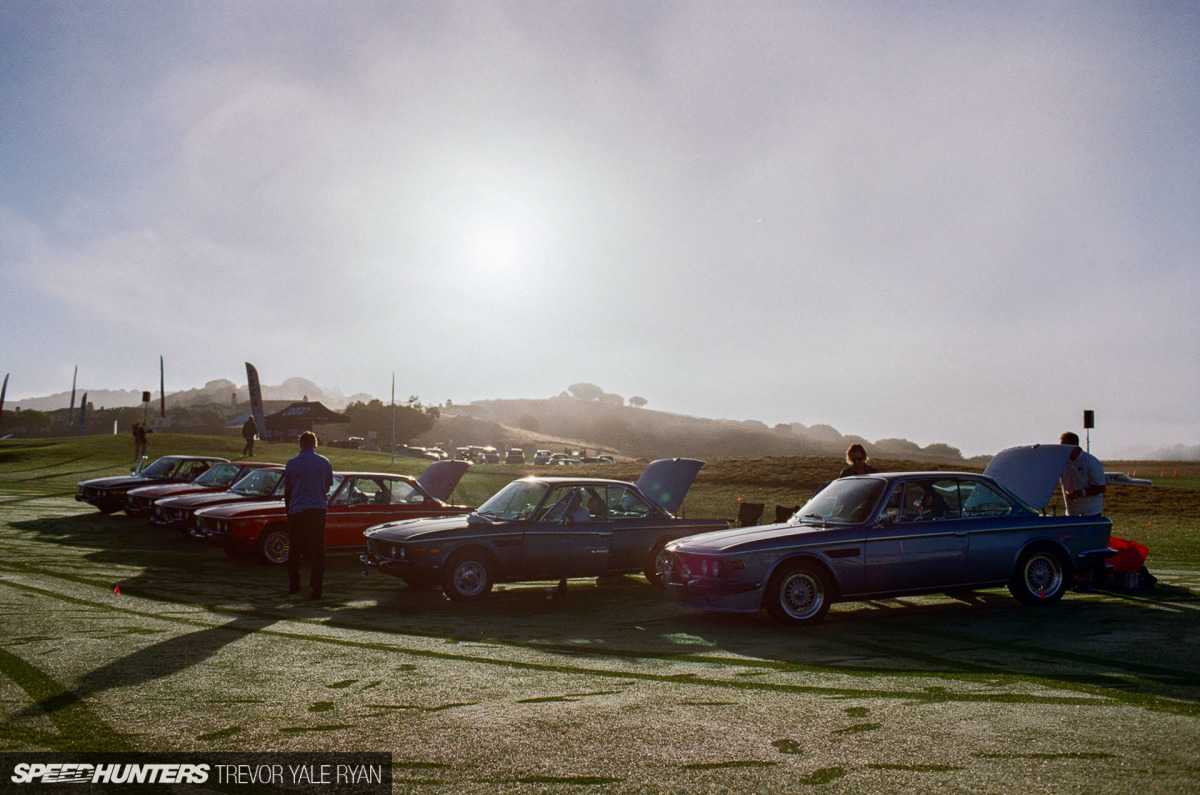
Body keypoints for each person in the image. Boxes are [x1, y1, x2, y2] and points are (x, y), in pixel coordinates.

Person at [283, 431, 334, 599]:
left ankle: (294, 585)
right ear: (315, 444)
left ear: (300, 444)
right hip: (318, 510)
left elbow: (288, 489)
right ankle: (316, 587)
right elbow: (327, 488)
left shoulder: (291, 464)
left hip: (298, 510)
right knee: (318, 549)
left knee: (295, 549)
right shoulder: (324, 462)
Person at [1058, 431, 1105, 516]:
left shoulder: (1091, 462)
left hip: (1091, 513)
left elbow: (1100, 487)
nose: (1061, 449)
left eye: (1064, 446)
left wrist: (1080, 493)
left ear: (1074, 446)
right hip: (1071, 513)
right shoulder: (1062, 462)